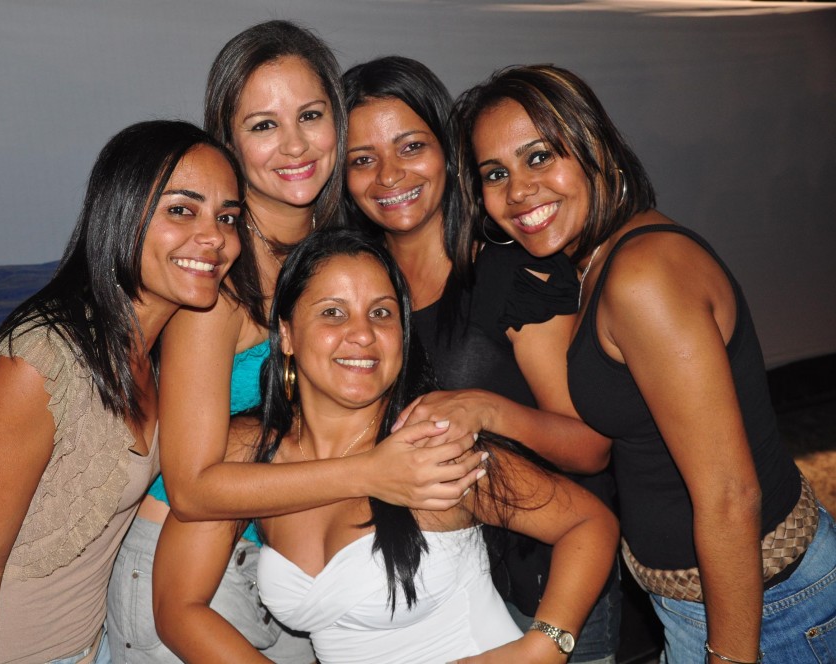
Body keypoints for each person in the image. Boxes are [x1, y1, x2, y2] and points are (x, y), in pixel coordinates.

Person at [106, 22, 482, 664]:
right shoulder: (218, 275)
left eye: (310, 115)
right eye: (263, 125)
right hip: (190, 569)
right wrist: (373, 472)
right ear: (229, 142)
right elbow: (191, 487)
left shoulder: (329, 248)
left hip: (287, 563)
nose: (295, 145)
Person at [454, 64, 836, 664]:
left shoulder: (642, 275)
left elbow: (730, 494)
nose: (518, 191)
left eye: (539, 157)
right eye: (495, 173)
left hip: (770, 612)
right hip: (713, 606)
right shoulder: (596, 259)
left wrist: (729, 657)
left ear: (594, 147)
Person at [154, 229, 619, 663]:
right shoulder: (249, 450)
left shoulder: (433, 446)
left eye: (381, 313)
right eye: (333, 312)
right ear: (288, 335)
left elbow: (588, 522)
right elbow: (178, 607)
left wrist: (544, 646)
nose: (363, 334)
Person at [0, 120, 245, 663]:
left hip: (91, 650)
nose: (216, 237)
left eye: (227, 217)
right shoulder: (35, 367)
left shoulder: (162, 349)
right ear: (120, 213)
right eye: (182, 209)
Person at [341, 55, 621, 663]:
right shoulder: (352, 288)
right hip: (415, 594)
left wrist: (486, 409)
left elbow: (591, 447)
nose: (388, 175)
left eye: (410, 146)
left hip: (539, 592)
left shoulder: (515, 273)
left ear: (449, 152)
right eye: (362, 159)